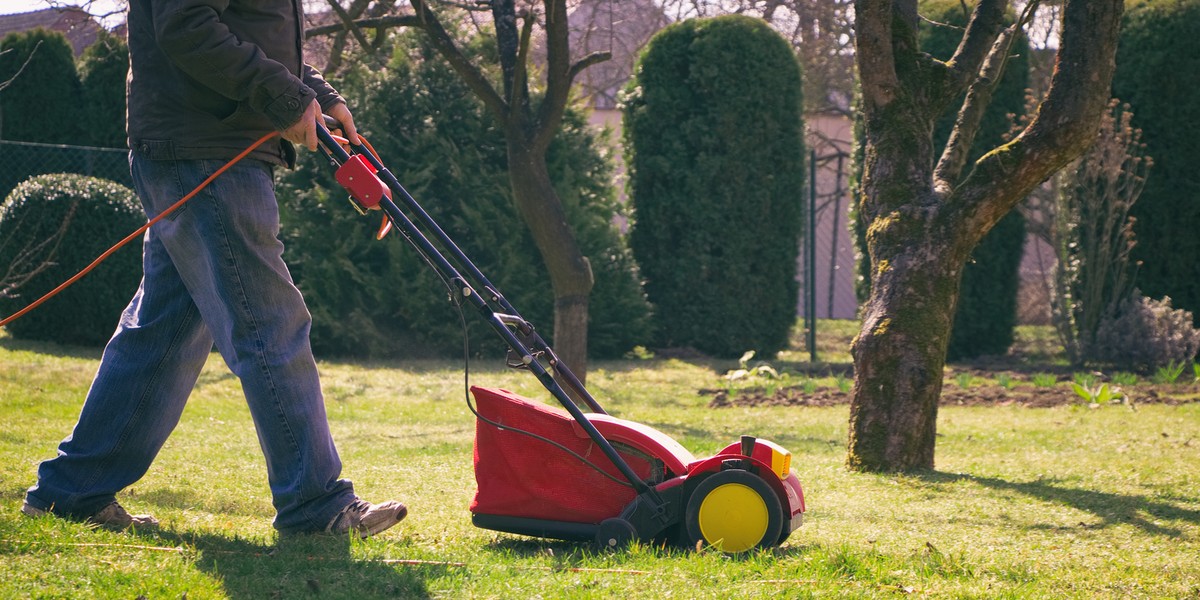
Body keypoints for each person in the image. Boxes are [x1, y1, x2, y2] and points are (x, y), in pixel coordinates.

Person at [21, 0, 406, 538]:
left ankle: (73, 492)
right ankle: (316, 505)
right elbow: (186, 26)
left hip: (202, 145)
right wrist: (283, 96)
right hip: (203, 150)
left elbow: (252, 30)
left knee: (164, 331)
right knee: (269, 322)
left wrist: (317, 95)